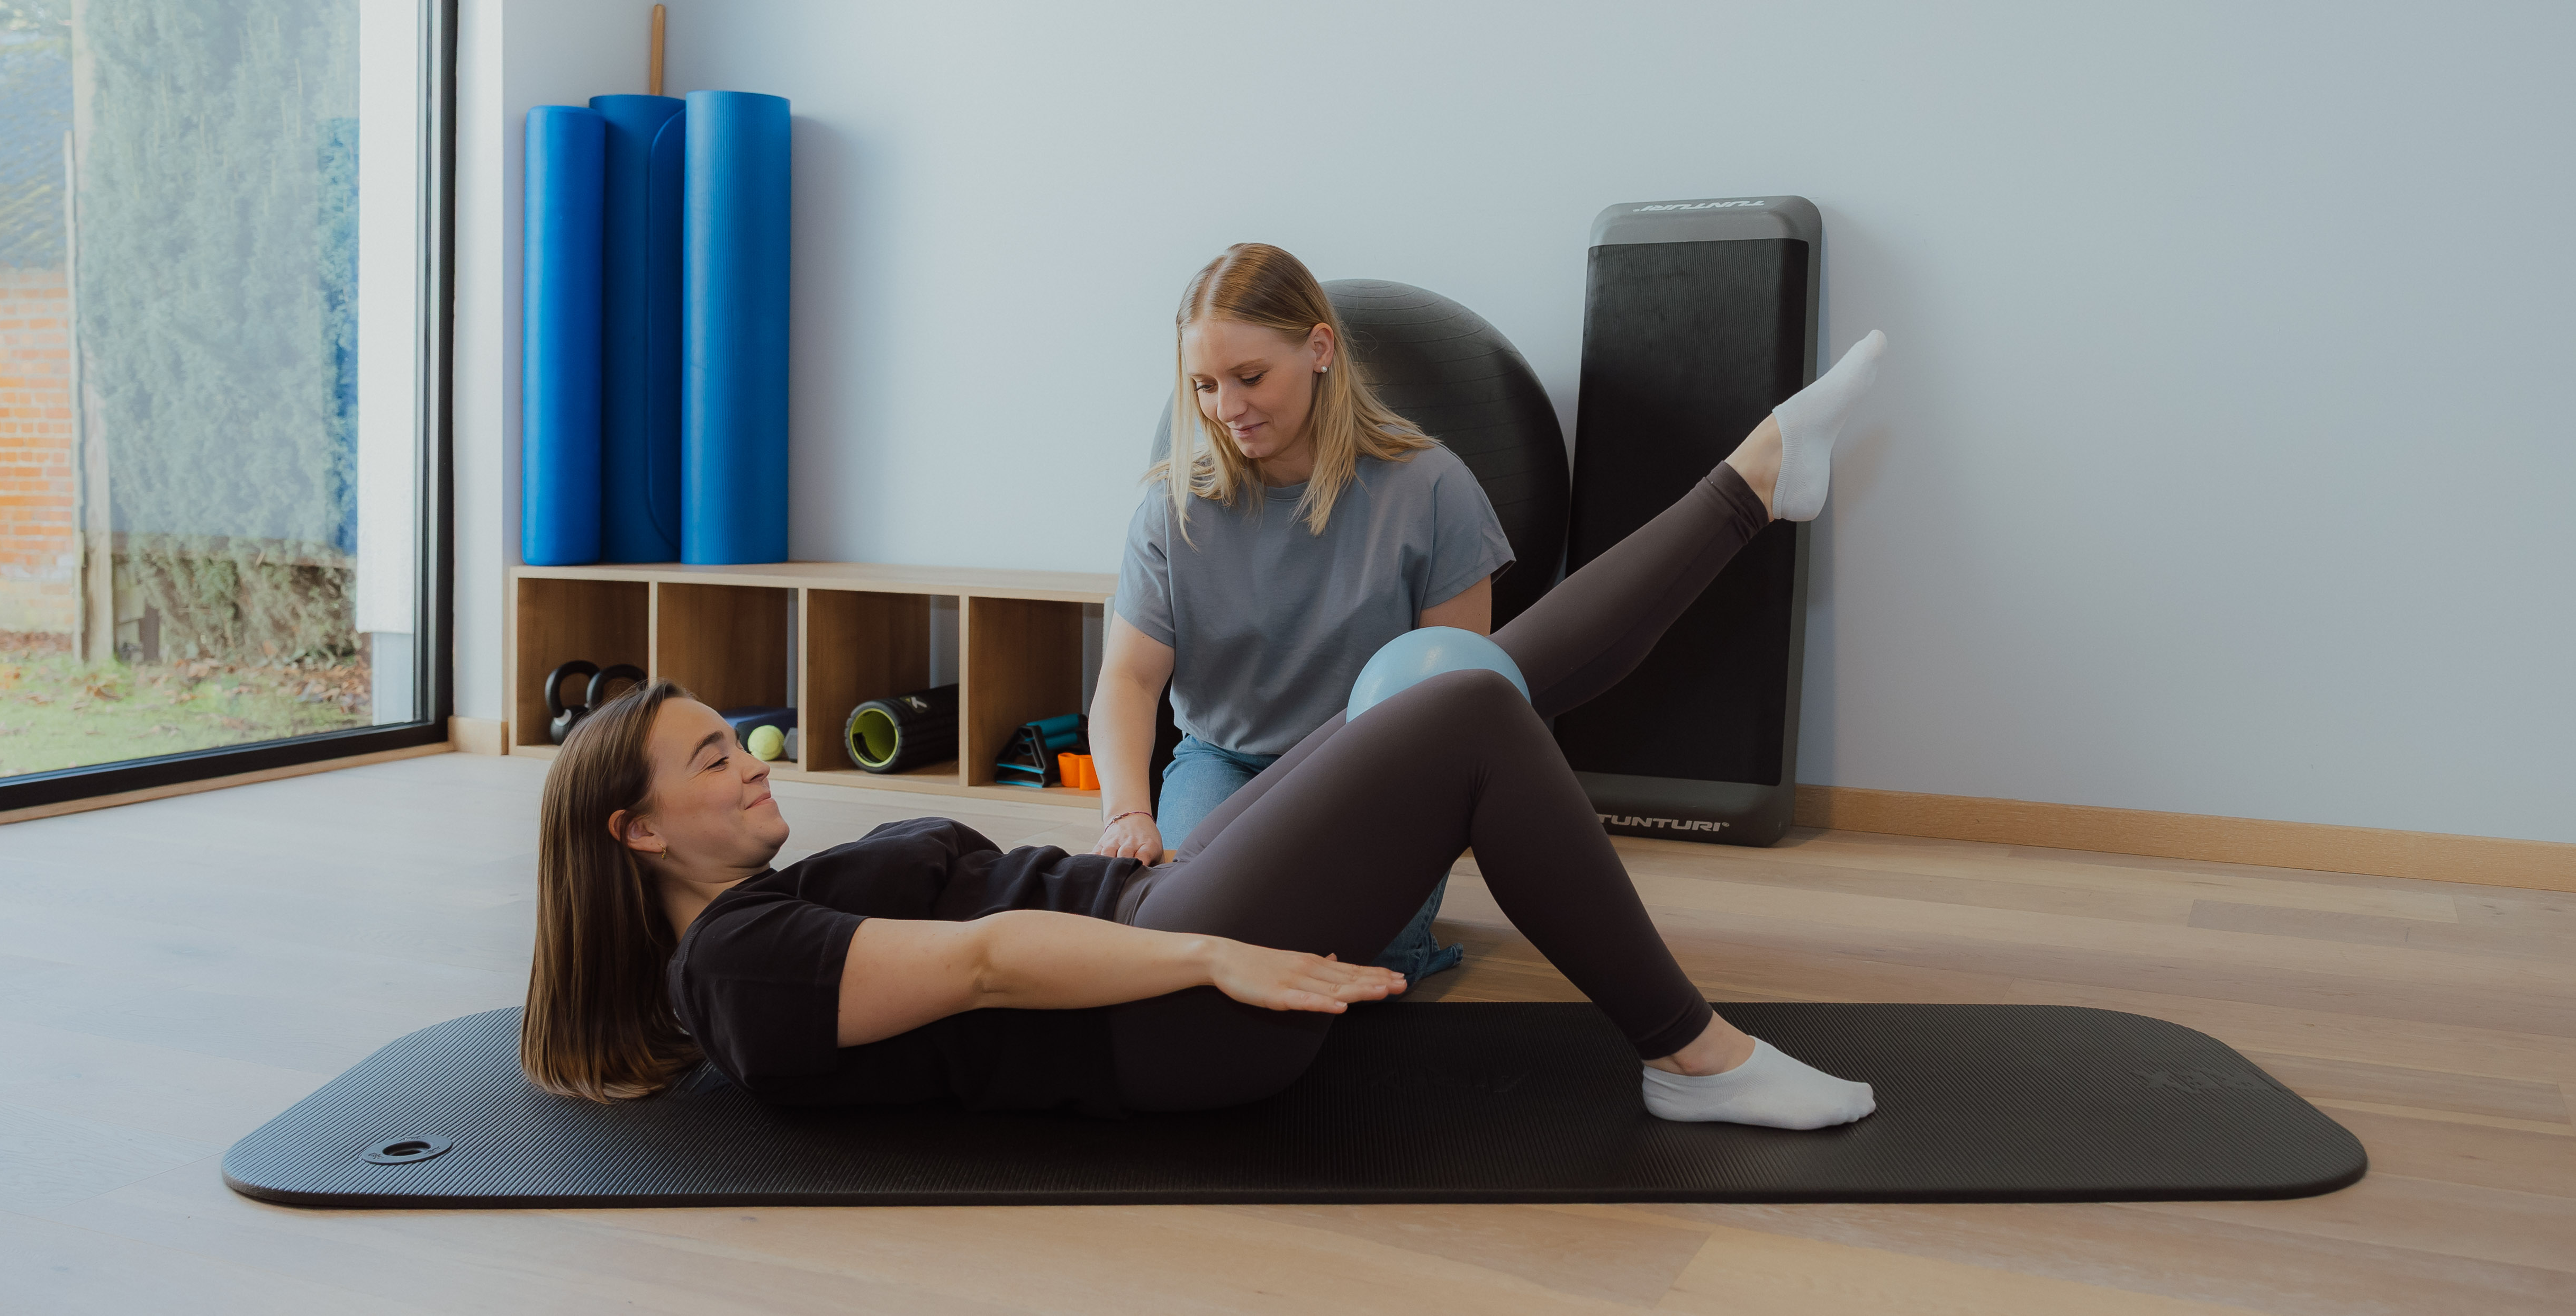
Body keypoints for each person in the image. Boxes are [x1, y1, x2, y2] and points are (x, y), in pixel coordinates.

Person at [521, 330, 1890, 1129]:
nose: (746, 761)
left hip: (1152, 912)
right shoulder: (740, 969)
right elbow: (991, 963)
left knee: (1445, 681)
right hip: (1163, 1010)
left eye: (728, 737)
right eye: (711, 758)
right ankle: (1686, 1054)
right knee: (1466, 705)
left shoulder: (753, 923)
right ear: (631, 830)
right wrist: (1209, 950)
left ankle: (1755, 476)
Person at [1090, 243, 1514, 983]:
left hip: (1375, 774)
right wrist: (1127, 812)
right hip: (1225, 761)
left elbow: (1452, 705)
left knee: (1354, 950)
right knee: (1193, 929)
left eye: (1250, 377)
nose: (1227, 409)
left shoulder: (1434, 488)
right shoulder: (1170, 509)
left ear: (1319, 348)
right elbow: (1127, 679)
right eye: (1204, 385)